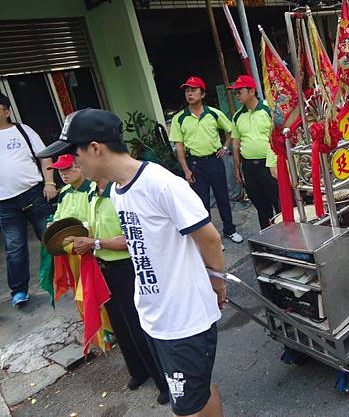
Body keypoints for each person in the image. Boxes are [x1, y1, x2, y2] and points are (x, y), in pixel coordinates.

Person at [37, 109, 226, 417]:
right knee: (197, 393)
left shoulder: (161, 184)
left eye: (75, 153)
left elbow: (210, 239)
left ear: (96, 148)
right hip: (156, 317)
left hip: (184, 320)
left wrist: (216, 284)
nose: (73, 163)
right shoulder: (120, 190)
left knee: (188, 406)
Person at [65, 177, 170, 405]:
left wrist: (95, 243)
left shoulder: (120, 193)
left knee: (139, 325)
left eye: (79, 160)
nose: (80, 167)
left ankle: (165, 381)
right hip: (104, 268)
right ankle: (139, 370)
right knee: (121, 326)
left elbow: (132, 237)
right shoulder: (93, 192)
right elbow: (93, 230)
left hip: (127, 267)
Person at [169, 76, 243, 244]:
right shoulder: (179, 118)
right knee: (201, 202)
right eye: (187, 91)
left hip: (215, 161)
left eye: (193, 90)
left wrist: (224, 147)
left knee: (223, 197)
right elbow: (179, 146)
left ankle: (230, 230)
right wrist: (186, 170)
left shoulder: (213, 113)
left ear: (202, 94)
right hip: (195, 164)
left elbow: (231, 130)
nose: (189, 94)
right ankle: (211, 238)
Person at [0, 93, 57, 306]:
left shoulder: (23, 130)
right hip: (5, 203)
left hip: (33, 193)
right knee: (14, 246)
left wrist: (50, 183)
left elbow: (45, 156)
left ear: (6, 110)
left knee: (51, 236)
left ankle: (65, 278)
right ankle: (19, 290)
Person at [229, 75, 280, 229]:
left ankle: (289, 238)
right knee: (260, 205)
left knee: (279, 202)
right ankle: (268, 239)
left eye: (240, 91)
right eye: (235, 92)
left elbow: (279, 136)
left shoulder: (268, 109)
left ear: (252, 91)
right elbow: (236, 144)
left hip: (270, 165)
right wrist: (237, 169)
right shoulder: (237, 116)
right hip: (250, 167)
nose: (237, 95)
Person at [49, 154, 94, 224]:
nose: (63, 173)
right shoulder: (64, 191)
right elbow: (57, 217)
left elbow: (96, 221)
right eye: (60, 169)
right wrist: (54, 224)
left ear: (81, 167)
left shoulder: (94, 189)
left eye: (67, 168)